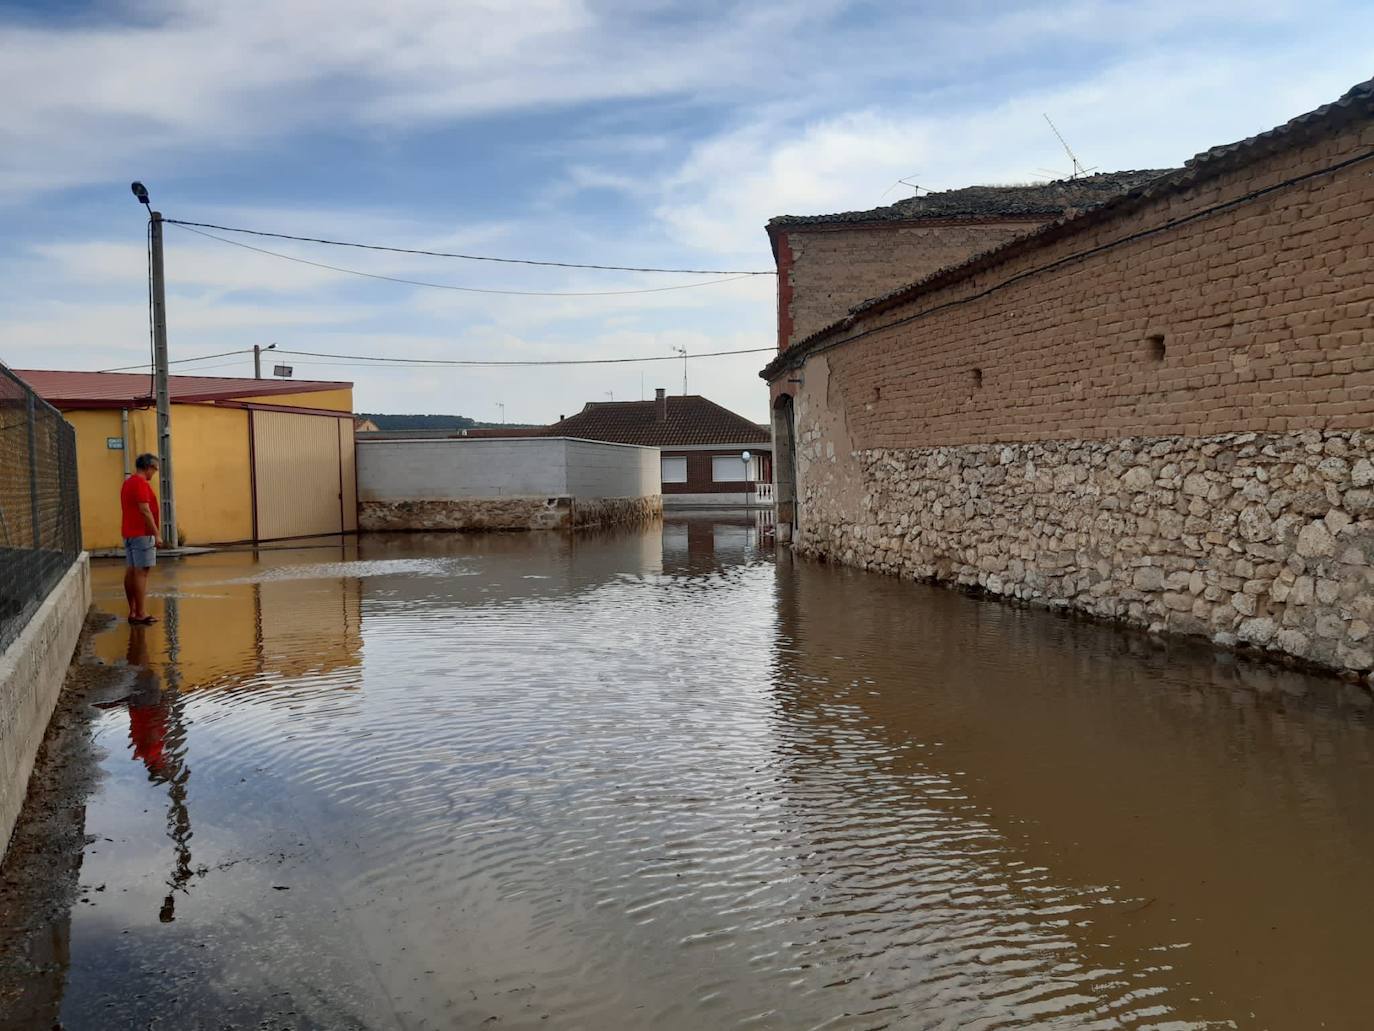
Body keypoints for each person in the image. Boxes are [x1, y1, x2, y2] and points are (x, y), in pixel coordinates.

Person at [121, 452, 162, 624]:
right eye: (155, 469)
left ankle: (133, 611)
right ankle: (141, 613)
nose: (155, 472)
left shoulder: (127, 483)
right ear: (148, 467)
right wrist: (156, 534)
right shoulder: (140, 483)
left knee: (131, 570)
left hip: (129, 532)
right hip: (142, 534)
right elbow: (145, 510)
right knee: (141, 572)